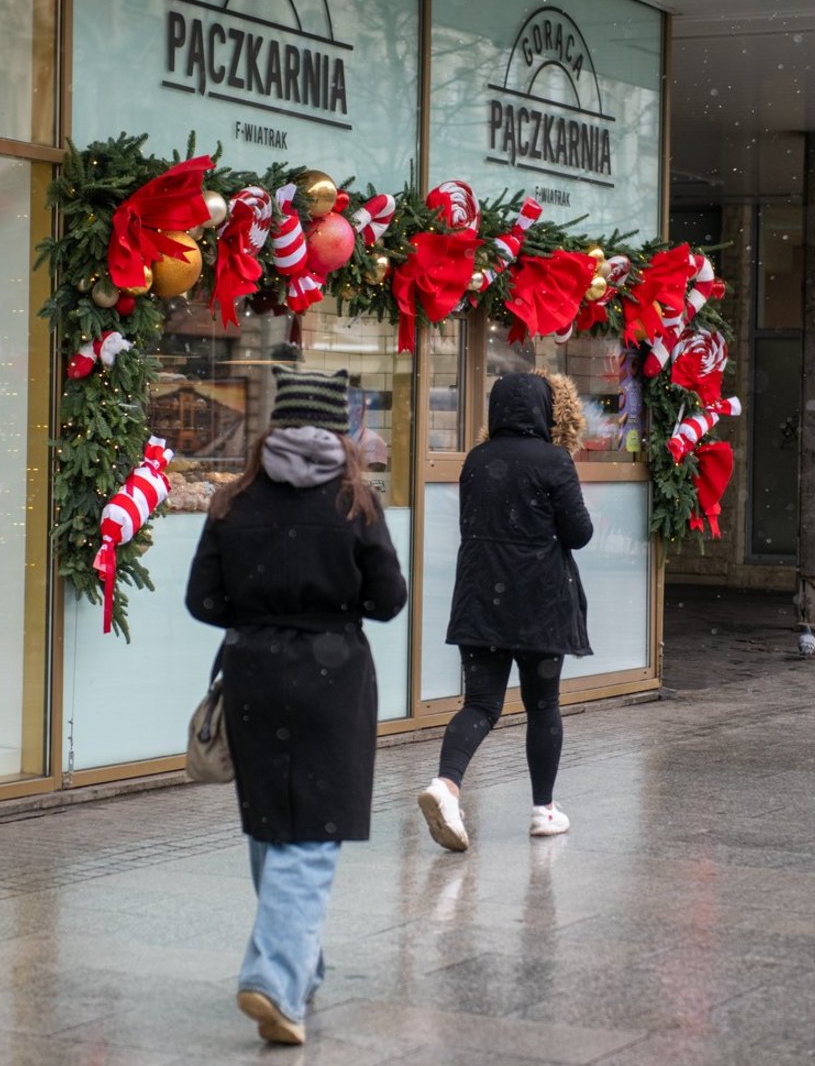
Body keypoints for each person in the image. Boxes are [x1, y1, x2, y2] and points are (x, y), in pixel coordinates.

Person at [185, 366, 407, 1046]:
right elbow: (388, 600)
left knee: (270, 824)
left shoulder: (234, 501)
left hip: (253, 674)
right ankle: (276, 981)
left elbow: (203, 601)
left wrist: (259, 612)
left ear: (272, 428)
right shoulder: (355, 503)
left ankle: (298, 965)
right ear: (341, 433)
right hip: (332, 678)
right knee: (312, 835)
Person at [417, 370, 593, 852]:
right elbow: (579, 533)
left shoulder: (477, 460)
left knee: (480, 705)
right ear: (543, 410)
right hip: (540, 605)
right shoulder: (554, 460)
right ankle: (544, 810)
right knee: (542, 706)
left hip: (481, 602)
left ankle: (446, 786)